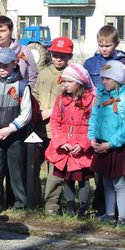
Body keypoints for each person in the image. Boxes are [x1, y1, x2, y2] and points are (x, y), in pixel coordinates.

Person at [0, 47, 33, 212]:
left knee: (16, 172)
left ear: (14, 64)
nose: (1, 69)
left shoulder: (22, 86)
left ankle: (20, 204)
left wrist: (10, 128)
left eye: (5, 66)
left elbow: (26, 112)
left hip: (15, 136)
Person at [88, 60, 125, 227]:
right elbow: (94, 118)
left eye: (107, 78)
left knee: (119, 183)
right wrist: (92, 138)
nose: (104, 81)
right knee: (106, 181)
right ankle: (110, 214)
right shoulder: (100, 96)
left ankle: (122, 218)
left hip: (117, 148)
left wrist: (111, 143)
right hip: (101, 145)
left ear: (117, 79)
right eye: (102, 78)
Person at [44, 64, 95, 217]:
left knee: (83, 180)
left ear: (79, 82)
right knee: (68, 179)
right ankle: (70, 205)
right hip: (65, 148)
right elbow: (55, 122)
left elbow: (94, 125)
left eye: (69, 81)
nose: (65, 84)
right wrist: (61, 142)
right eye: (64, 81)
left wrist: (83, 144)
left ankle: (82, 208)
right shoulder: (60, 100)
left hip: (82, 149)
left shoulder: (92, 101)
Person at [37, 37, 74, 214]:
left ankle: (53, 205)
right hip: (40, 128)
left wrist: (51, 111)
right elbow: (35, 94)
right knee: (35, 166)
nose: (58, 58)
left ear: (70, 56)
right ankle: (34, 199)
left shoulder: (72, 75)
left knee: (56, 170)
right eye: (55, 54)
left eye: (63, 56)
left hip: (59, 131)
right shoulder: (43, 73)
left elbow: (74, 101)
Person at [0, 15, 38, 93]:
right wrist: (0, 93)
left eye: (3, 31)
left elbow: (33, 77)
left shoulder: (25, 51)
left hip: (19, 98)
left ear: (11, 31)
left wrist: (24, 93)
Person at [84, 25, 125, 90]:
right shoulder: (90, 63)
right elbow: (84, 86)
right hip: (95, 99)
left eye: (107, 46)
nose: (104, 49)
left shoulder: (123, 63)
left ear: (117, 44)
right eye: (101, 46)